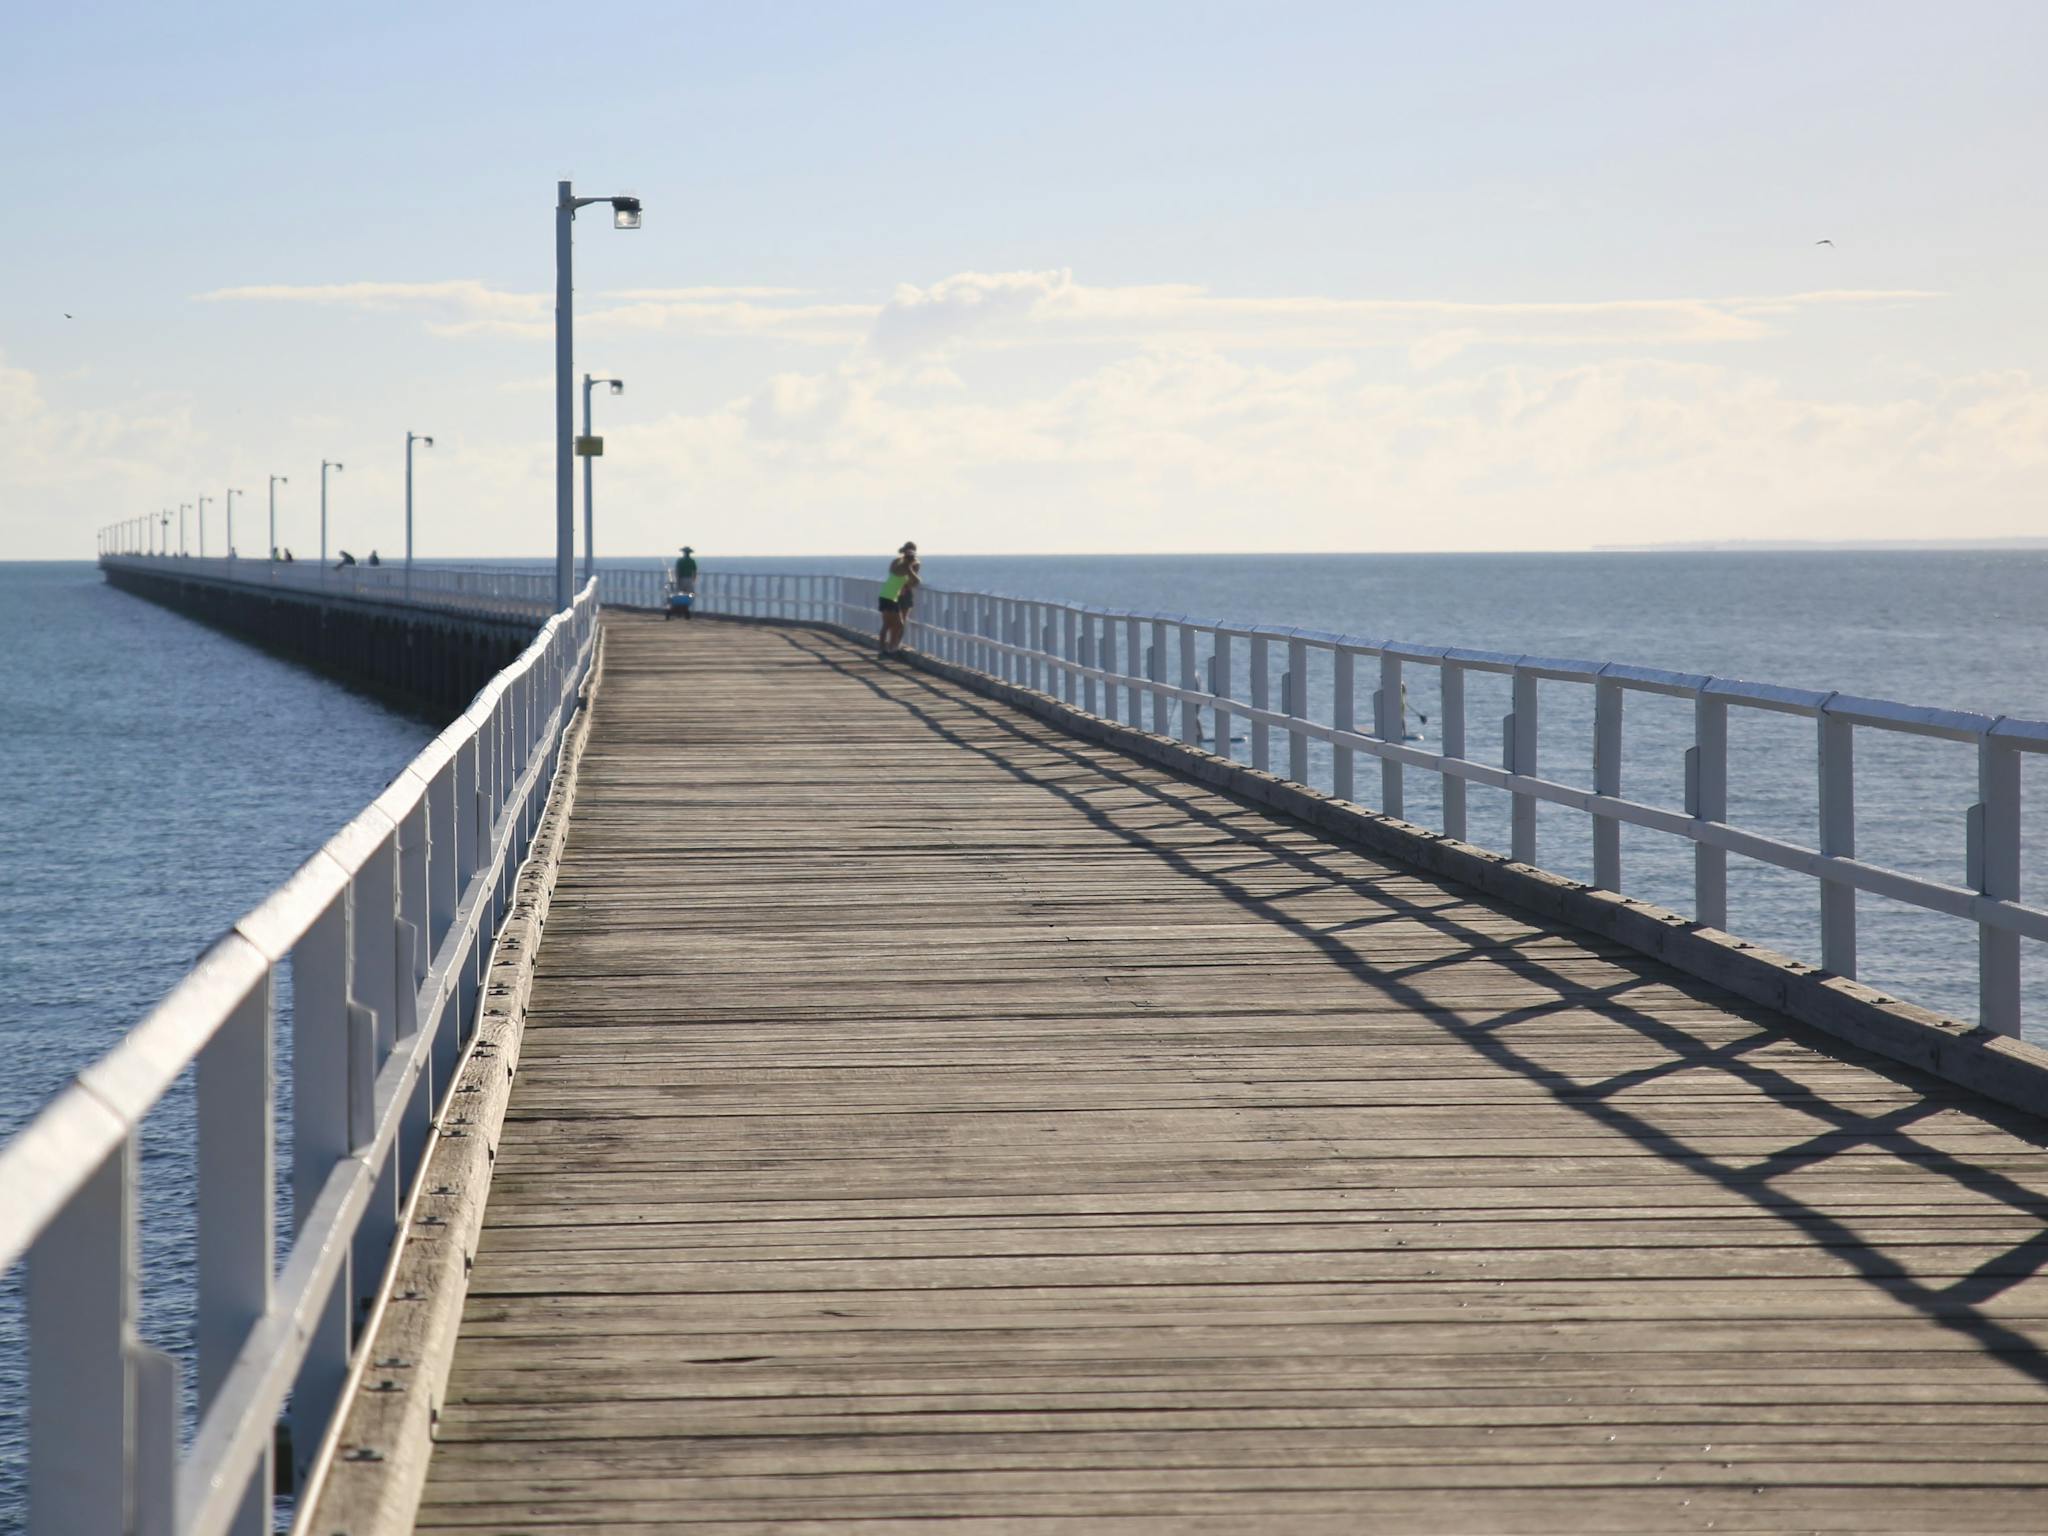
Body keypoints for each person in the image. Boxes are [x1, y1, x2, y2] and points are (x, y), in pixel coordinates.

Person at [877, 541, 920, 657]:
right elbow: (915, 580)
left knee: (889, 624)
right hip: (891, 596)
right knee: (895, 624)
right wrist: (909, 567)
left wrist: (908, 567)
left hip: (887, 595)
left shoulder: (897, 563)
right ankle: (890, 649)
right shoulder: (904, 566)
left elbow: (911, 579)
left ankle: (885, 650)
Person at [669, 545, 698, 621]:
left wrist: (677, 580)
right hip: (689, 580)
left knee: (678, 595)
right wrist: (693, 580)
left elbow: (677, 571)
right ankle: (685, 607)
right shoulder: (692, 561)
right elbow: (694, 572)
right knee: (691, 594)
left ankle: (679, 609)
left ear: (683, 553)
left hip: (681, 579)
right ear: (689, 553)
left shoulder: (680, 561)